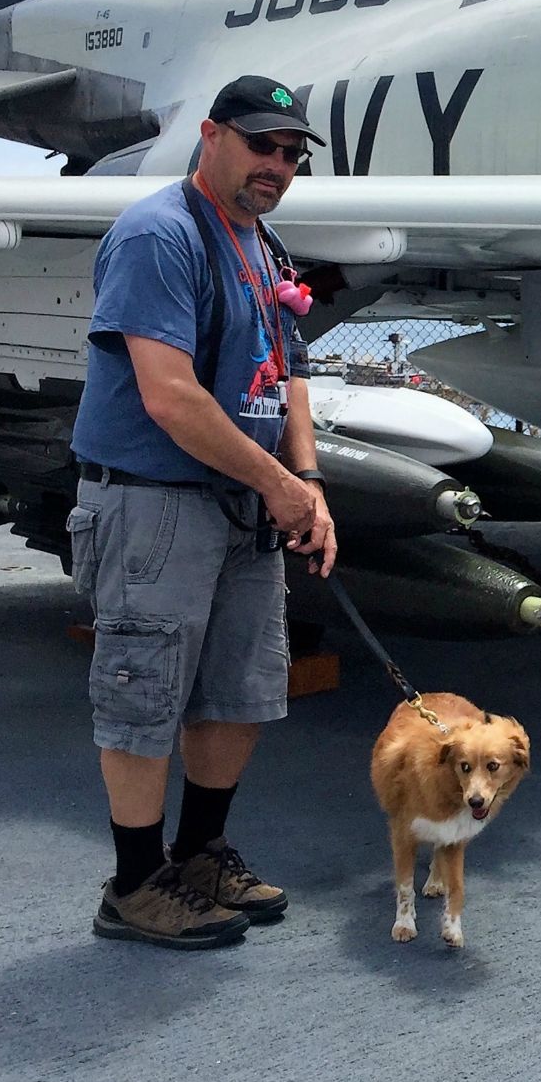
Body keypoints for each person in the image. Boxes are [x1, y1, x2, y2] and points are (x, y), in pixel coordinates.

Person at [68, 75, 338, 950]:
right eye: (262, 145)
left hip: (242, 504)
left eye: (292, 154)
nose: (278, 165)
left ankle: (198, 854)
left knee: (237, 689)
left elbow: (291, 369)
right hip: (155, 506)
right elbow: (170, 399)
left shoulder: (265, 244)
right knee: (145, 691)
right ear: (212, 136)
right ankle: (135, 883)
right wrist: (278, 486)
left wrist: (308, 481)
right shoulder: (159, 235)